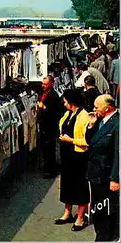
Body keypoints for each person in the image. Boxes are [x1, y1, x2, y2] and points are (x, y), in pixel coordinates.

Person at [85, 94, 119, 241]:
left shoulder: (117, 124)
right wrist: (91, 125)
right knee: (97, 206)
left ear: (107, 108)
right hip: (95, 172)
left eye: (96, 107)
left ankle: (105, 235)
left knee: (106, 207)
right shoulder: (100, 120)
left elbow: (118, 154)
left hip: (106, 173)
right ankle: (102, 232)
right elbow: (90, 141)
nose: (94, 109)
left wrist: (115, 178)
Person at [55, 89, 90, 231]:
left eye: (65, 101)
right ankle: (67, 212)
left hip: (79, 155)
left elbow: (88, 141)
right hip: (66, 155)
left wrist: (71, 140)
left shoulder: (84, 116)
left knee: (80, 185)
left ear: (71, 102)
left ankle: (80, 217)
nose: (63, 104)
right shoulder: (67, 114)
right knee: (67, 183)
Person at [37, 76, 63, 178]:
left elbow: (56, 112)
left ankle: (51, 170)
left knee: (50, 148)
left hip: (50, 126)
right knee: (45, 147)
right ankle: (47, 167)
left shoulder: (53, 96)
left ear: (51, 84)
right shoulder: (44, 93)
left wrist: (44, 107)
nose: (43, 86)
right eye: (42, 84)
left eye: (45, 84)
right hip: (44, 125)